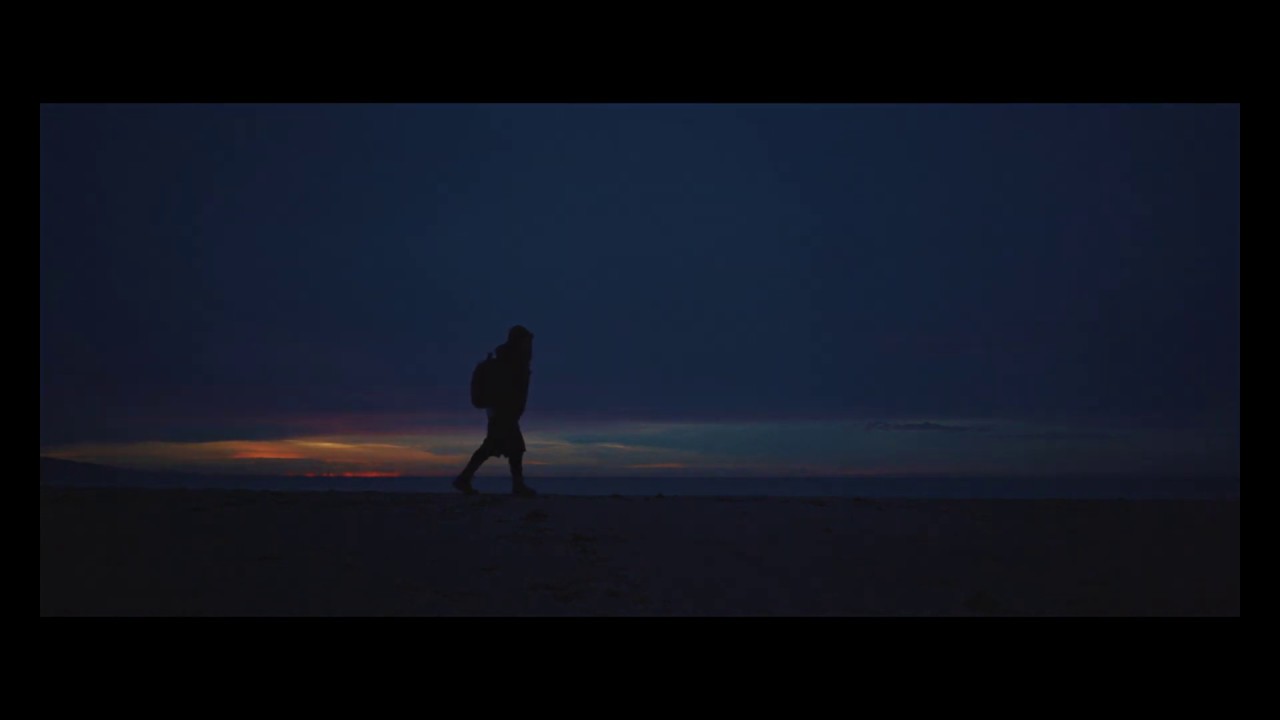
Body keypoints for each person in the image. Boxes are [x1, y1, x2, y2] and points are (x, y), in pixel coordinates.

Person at [453, 325, 537, 496]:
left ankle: (464, 478)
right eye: (526, 340)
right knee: (510, 447)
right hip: (502, 412)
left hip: (505, 412)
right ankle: (517, 485)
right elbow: (507, 388)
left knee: (497, 446)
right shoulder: (510, 360)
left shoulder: (516, 359)